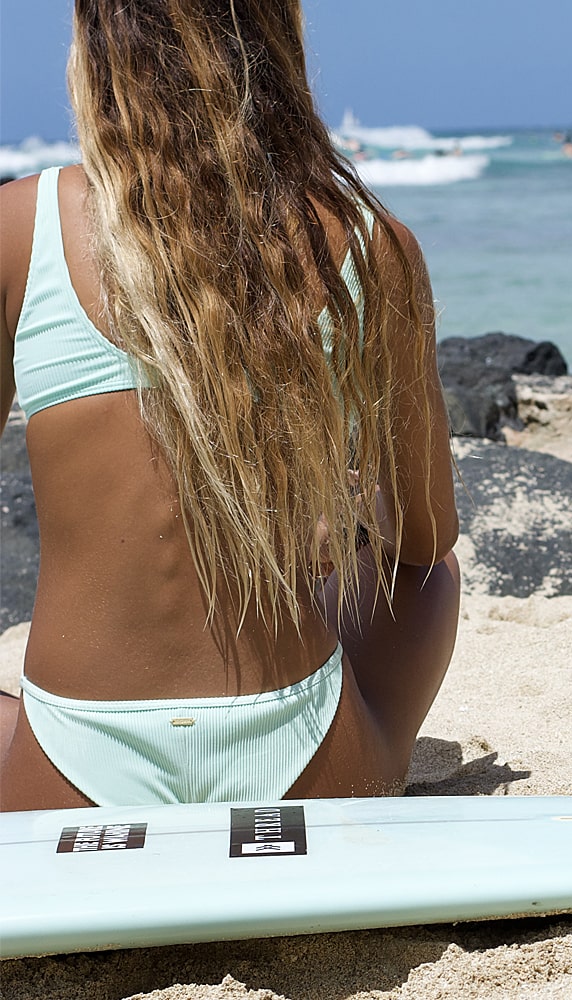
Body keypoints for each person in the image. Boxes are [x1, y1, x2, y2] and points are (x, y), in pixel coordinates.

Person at [0, 0, 460, 810]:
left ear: (96, 53)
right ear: (277, 41)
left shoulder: (20, 226)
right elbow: (424, 535)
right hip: (305, 764)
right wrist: (338, 514)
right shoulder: (369, 240)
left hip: (71, 774)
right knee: (426, 578)